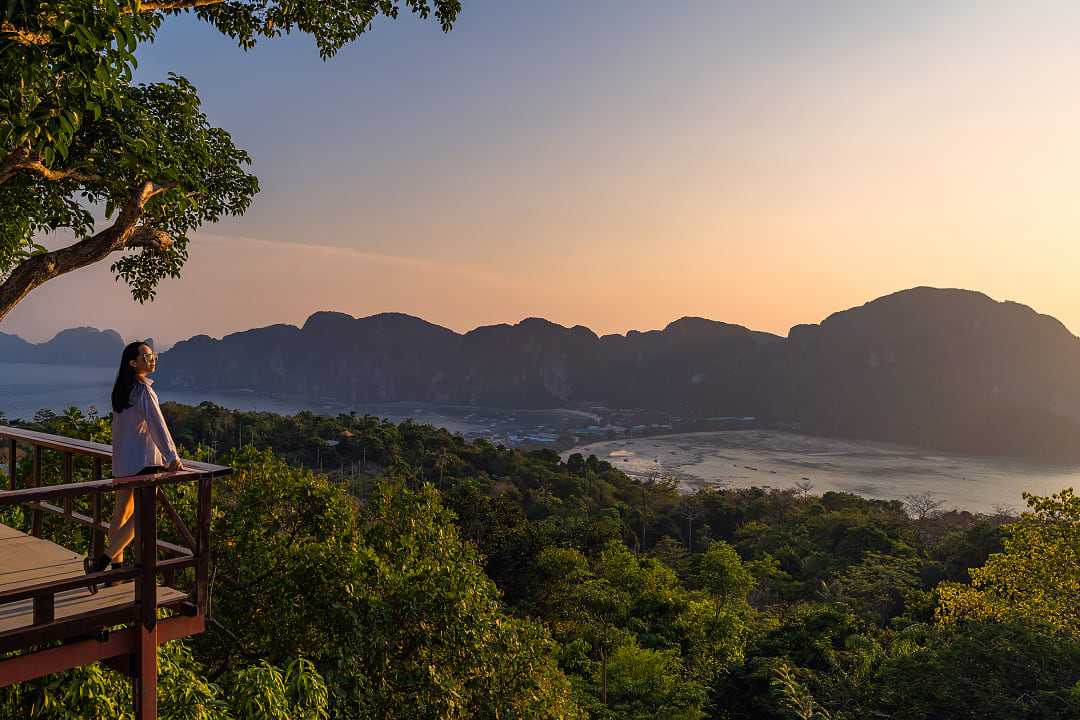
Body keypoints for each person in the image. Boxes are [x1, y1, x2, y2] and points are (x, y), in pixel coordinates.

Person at [84, 341, 184, 579]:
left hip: (124, 462)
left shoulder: (122, 391)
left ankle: (115, 571)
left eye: (153, 355)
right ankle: (103, 562)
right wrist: (172, 457)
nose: (153, 359)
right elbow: (158, 426)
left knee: (121, 514)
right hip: (144, 460)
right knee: (142, 514)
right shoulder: (143, 391)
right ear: (133, 362)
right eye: (147, 356)